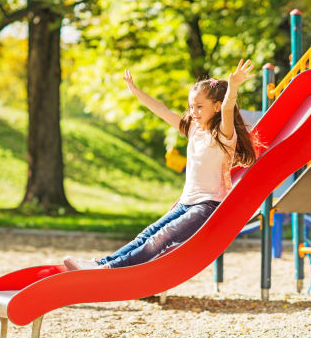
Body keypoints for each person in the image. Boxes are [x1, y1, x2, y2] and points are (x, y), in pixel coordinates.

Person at [64, 59, 257, 270]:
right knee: (147, 233)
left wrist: (233, 87)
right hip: (186, 202)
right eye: (191, 106)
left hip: (207, 206)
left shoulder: (223, 134)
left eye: (199, 107)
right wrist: (136, 92)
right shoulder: (193, 129)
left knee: (162, 237)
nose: (194, 111)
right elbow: (162, 110)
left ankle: (110, 269)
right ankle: (101, 263)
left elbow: (229, 108)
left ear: (216, 107)